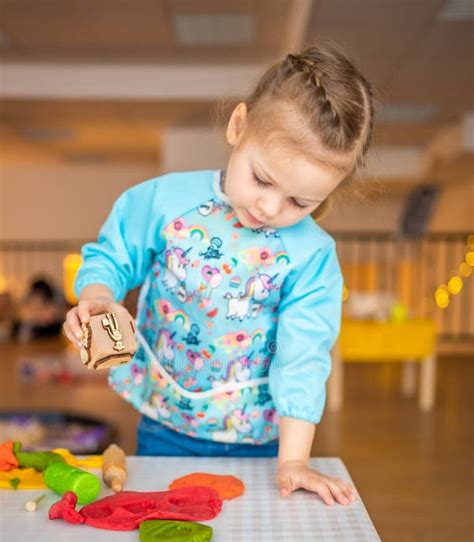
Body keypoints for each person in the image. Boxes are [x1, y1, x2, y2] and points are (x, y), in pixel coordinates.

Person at [63, 46, 375, 506]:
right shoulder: (166, 199)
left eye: (299, 203)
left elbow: (303, 358)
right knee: (163, 525)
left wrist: (292, 462)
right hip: (165, 422)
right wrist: (96, 293)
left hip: (258, 440)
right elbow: (114, 253)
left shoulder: (312, 256)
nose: (270, 209)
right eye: (263, 180)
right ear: (238, 127)